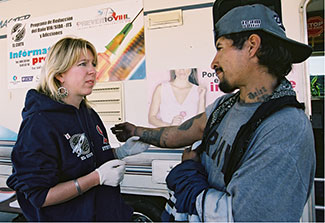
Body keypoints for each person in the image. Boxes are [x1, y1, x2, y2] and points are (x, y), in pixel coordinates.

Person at [111, 3, 316, 222]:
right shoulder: (225, 106)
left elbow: (243, 217)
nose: (213, 62)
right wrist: (137, 131)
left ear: (252, 46)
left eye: (220, 47)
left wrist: (189, 174)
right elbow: (181, 133)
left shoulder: (284, 129)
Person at [6, 36, 149, 222]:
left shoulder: (88, 113)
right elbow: (40, 196)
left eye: (93, 64)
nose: (93, 71)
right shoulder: (40, 123)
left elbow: (88, 160)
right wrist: (96, 179)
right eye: (83, 64)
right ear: (60, 74)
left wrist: (120, 152)